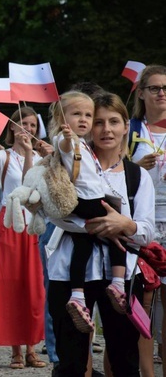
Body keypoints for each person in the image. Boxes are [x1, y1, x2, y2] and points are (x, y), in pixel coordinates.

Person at [48, 92, 155, 376]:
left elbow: (146, 230)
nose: (106, 129)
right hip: (69, 273)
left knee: (124, 360)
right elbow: (51, 212)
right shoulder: (66, 163)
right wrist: (89, 225)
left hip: (121, 277)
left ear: (125, 127)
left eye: (114, 121)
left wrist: (124, 224)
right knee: (70, 362)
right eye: (98, 122)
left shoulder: (136, 176)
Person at [48, 91, 128, 332]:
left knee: (82, 245)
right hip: (88, 200)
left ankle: (78, 295)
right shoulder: (68, 140)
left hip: (90, 199)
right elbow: (63, 146)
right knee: (119, 231)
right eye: (76, 114)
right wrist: (65, 136)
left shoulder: (83, 143)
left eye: (88, 115)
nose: (83, 119)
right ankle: (118, 282)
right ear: (62, 118)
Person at [0, 107, 46, 369]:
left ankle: (32, 347)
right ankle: (16, 350)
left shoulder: (41, 158)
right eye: (22, 125)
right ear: (12, 128)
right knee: (10, 287)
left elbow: (32, 185)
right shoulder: (2, 156)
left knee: (34, 289)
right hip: (9, 224)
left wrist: (31, 152)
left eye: (31, 125)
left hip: (34, 225)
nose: (27, 130)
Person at [128, 64, 166, 372]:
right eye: (154, 88)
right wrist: (137, 165)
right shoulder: (129, 128)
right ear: (142, 93)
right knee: (144, 306)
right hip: (143, 223)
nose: (162, 93)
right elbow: (112, 170)